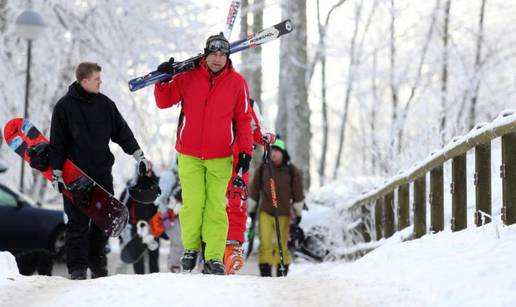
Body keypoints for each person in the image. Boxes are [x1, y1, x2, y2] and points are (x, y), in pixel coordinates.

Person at [154, 33, 252, 275]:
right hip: (189, 153)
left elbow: (243, 119)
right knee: (192, 204)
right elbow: (164, 101)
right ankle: (190, 249)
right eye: (213, 54)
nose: (218, 59)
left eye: (222, 55)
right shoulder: (187, 77)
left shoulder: (237, 83)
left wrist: (245, 152)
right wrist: (163, 78)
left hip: (222, 155)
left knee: (216, 207)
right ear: (205, 55)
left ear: (227, 57)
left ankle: (214, 257)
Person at [49, 62, 151, 280]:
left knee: (102, 223)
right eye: (97, 79)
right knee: (76, 225)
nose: (100, 83)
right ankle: (77, 269)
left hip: (102, 175)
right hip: (74, 177)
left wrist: (138, 155)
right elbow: (56, 143)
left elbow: (122, 133)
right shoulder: (64, 107)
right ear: (84, 81)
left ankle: (97, 265)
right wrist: (56, 173)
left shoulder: (105, 105)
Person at [224, 99, 275, 275]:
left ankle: (233, 248)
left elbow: (258, 126)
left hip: (240, 160)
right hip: (213, 158)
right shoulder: (212, 97)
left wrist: (266, 136)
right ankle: (209, 249)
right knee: (213, 204)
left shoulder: (247, 102)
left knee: (237, 202)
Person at [247, 138, 304, 277]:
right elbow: (254, 189)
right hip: (265, 211)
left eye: (277, 152)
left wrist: (298, 213)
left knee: (281, 244)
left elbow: (298, 193)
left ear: (283, 153)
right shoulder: (264, 168)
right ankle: (265, 272)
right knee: (265, 243)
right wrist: (252, 209)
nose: (274, 154)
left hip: (283, 213)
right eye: (272, 151)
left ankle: (281, 270)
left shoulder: (292, 171)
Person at [119, 168, 160, 274]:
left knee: (153, 256)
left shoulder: (157, 186)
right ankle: (139, 280)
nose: (147, 174)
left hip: (154, 226)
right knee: (137, 257)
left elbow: (162, 206)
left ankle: (155, 280)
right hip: (136, 227)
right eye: (144, 171)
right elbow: (122, 207)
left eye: (149, 171)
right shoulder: (132, 187)